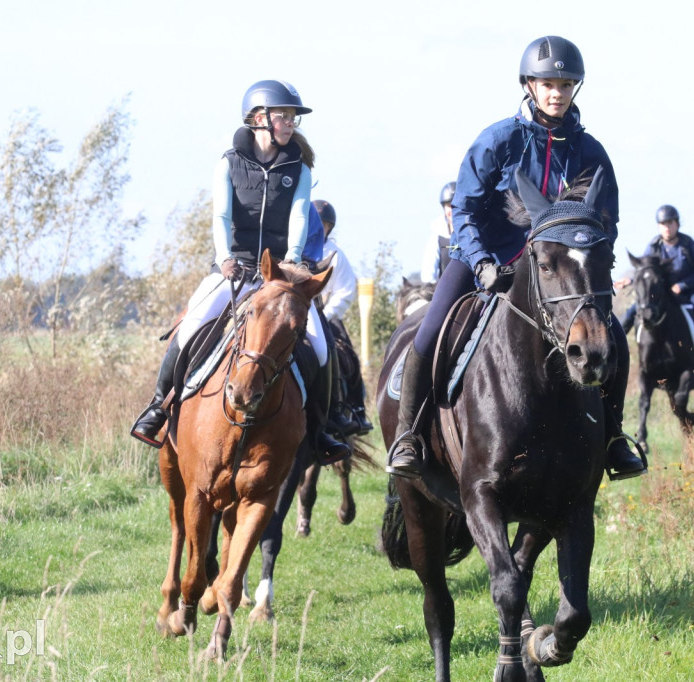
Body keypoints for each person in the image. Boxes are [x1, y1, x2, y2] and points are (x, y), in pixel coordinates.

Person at [385, 35, 646, 481]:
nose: (556, 93)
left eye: (565, 85)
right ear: (529, 85)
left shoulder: (590, 152)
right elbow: (464, 211)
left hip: (557, 272)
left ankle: (615, 439)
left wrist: (590, 263)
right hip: (484, 260)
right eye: (547, 83)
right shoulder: (498, 140)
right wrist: (483, 262)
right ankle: (408, 434)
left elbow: (607, 221)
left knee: (613, 335)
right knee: (429, 332)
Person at [130, 79, 350, 464]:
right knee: (190, 325)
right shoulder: (228, 163)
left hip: (280, 274)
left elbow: (301, 214)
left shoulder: (297, 167)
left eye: (293, 118)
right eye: (283, 116)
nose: (290, 123)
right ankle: (157, 409)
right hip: (234, 267)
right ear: (259, 118)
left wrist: (294, 258)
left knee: (319, 341)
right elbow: (221, 215)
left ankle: (323, 428)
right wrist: (224, 255)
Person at [615, 205, 694, 365]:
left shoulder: (690, 246)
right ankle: (616, 345)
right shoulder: (653, 246)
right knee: (635, 309)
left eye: (670, 223)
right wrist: (631, 281)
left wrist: (682, 285)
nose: (667, 227)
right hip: (663, 292)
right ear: (659, 226)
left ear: (677, 224)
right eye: (663, 224)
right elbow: (647, 273)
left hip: (689, 291)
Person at [313, 199, 374, 435]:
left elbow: (346, 291)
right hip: (297, 312)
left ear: (330, 228)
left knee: (348, 355)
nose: (320, 229)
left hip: (326, 314)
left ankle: (357, 410)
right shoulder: (293, 248)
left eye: (325, 225)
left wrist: (327, 315)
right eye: (317, 224)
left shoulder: (336, 254)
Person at [419, 182, 456, 284]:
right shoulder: (437, 238)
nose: (453, 211)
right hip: (447, 288)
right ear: (444, 208)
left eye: (455, 206)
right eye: (449, 206)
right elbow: (428, 275)